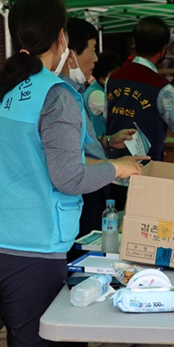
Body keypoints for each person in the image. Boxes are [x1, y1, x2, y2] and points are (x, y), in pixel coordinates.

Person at [0, 0, 143, 347]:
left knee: (26, 342)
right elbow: (68, 177)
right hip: (29, 248)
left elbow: (23, 154)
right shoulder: (56, 94)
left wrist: (103, 150)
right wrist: (119, 167)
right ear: (61, 37)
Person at [59, 19, 138, 247]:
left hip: (95, 182)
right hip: (82, 189)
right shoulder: (60, 96)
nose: (96, 58)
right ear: (71, 54)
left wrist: (108, 141)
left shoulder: (75, 91)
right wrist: (117, 166)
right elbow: (68, 161)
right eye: (93, 50)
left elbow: (80, 143)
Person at [105, 16, 174, 209]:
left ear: (135, 42)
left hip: (112, 169)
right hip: (145, 172)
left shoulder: (113, 78)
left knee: (115, 218)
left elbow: (108, 115)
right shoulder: (160, 86)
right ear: (164, 48)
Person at [86, 51, 123, 138]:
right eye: (115, 74)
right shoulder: (95, 94)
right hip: (100, 142)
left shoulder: (106, 88)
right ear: (102, 79)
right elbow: (120, 112)